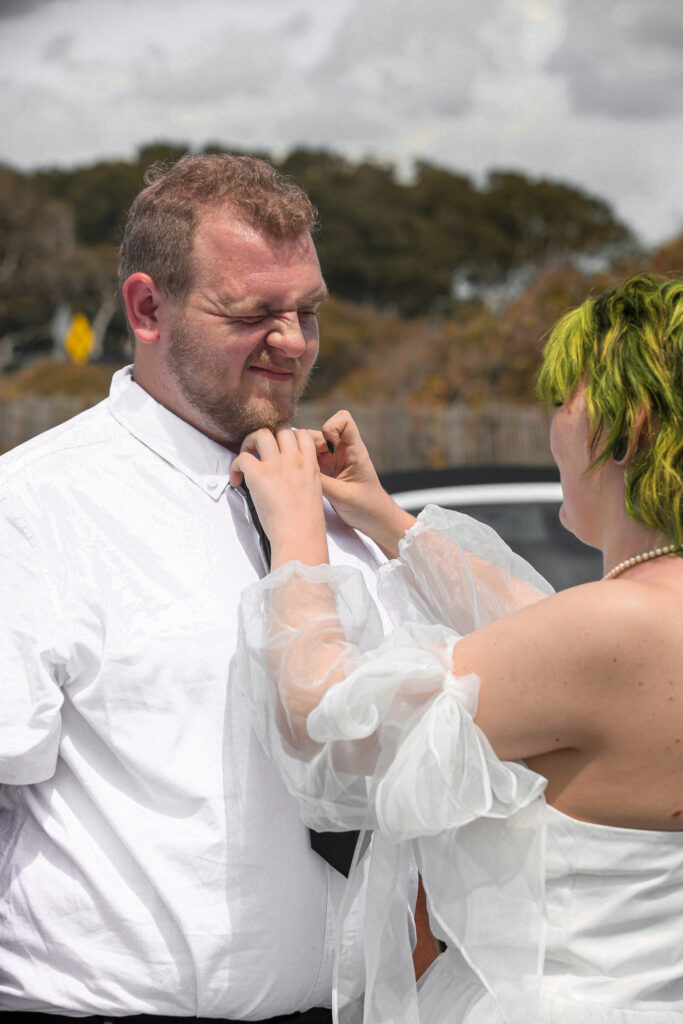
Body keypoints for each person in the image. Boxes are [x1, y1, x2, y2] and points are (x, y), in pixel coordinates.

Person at [0, 153, 434, 1022]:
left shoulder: (341, 509)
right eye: (252, 313)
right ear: (147, 308)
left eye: (306, 312)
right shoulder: (33, 507)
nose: (293, 343)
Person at [232, 275, 683, 1023]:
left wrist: (296, 536)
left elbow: (325, 726)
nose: (553, 425)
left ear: (627, 421)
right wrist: (388, 523)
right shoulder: (639, 623)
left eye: (562, 399)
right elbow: (537, 627)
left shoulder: (611, 631)